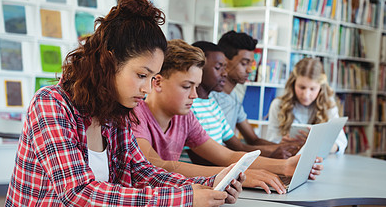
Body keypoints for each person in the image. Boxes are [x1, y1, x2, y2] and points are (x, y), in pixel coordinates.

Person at [0, 0, 244, 207]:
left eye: (153, 78)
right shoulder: (51, 104)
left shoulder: (115, 114)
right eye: (141, 75)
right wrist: (185, 199)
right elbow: (80, 194)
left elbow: (143, 172)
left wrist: (209, 186)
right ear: (108, 62)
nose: (148, 88)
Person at [132, 39, 323, 197]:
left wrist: (286, 165)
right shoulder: (136, 114)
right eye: (186, 86)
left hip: (171, 200)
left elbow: (227, 155)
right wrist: (236, 174)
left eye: (196, 86)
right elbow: (158, 165)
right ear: (157, 82)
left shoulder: (185, 117)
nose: (194, 95)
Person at [189, 41, 296, 158]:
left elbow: (243, 144)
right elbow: (219, 155)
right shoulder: (192, 105)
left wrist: (286, 149)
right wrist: (272, 155)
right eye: (244, 63)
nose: (250, 70)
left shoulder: (215, 103)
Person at [212, 30, 303, 159]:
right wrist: (273, 152)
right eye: (244, 64)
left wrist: (291, 148)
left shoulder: (234, 98)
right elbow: (233, 148)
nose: (249, 70)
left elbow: (253, 139)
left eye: (251, 64)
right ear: (224, 61)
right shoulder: (211, 98)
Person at [267, 57, 348, 154]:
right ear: (293, 83)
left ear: (321, 88)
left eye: (312, 89)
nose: (306, 95)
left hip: (318, 163)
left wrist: (317, 145)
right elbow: (270, 142)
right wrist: (282, 144)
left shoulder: (328, 106)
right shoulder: (278, 105)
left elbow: (341, 144)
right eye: (302, 87)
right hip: (286, 160)